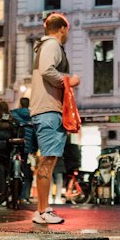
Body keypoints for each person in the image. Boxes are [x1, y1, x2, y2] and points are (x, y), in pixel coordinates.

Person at [29, 12, 80, 226]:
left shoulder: (44, 46)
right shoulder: (52, 45)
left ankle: (43, 209)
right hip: (49, 109)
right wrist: (68, 81)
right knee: (48, 160)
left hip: (46, 108)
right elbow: (47, 70)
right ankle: (42, 211)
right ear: (63, 29)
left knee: (48, 160)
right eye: (67, 31)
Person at [11, 94, 37, 205]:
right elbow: (36, 134)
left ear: (20, 104)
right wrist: (34, 148)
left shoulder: (13, 114)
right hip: (27, 148)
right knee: (27, 174)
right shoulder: (33, 116)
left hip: (14, 146)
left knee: (12, 171)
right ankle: (24, 196)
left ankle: (12, 195)